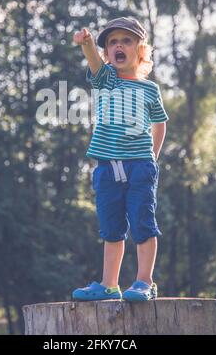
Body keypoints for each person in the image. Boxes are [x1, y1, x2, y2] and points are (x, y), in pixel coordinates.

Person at [72, 17, 169, 301]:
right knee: (111, 228)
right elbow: (92, 61)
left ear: (140, 50)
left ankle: (144, 282)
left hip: (140, 166)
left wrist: (153, 156)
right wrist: (88, 43)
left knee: (143, 224)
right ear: (106, 53)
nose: (119, 46)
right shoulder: (105, 79)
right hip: (106, 168)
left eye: (126, 40)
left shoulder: (150, 89)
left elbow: (160, 122)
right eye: (113, 42)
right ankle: (109, 285)